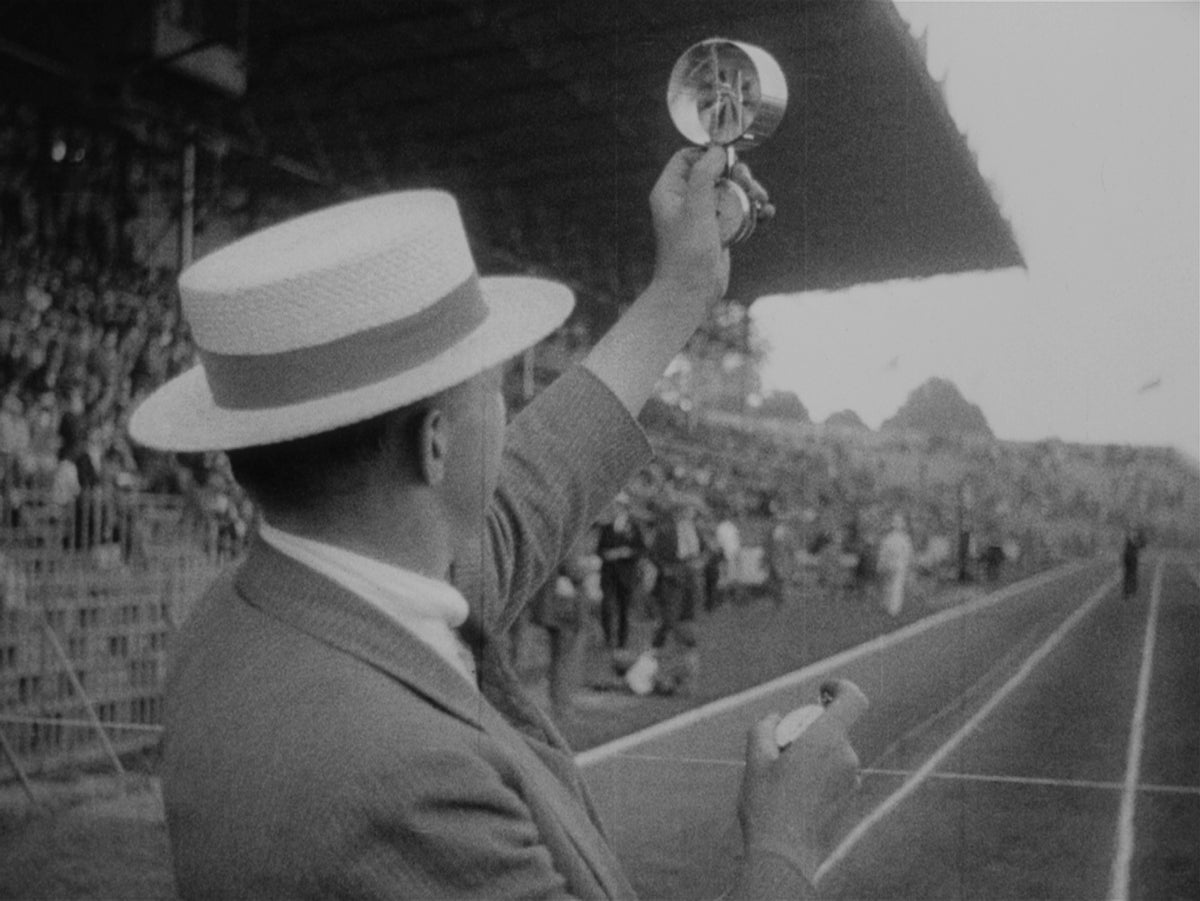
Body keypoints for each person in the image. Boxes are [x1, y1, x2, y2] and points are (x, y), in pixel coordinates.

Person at [129, 146, 861, 899]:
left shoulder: (249, 610)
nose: (508, 410)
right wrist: (785, 841)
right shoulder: (408, 779)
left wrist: (680, 293)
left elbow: (524, 496)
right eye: (495, 383)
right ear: (437, 441)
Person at [596, 493, 644, 651]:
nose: (615, 509)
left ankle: (622, 641)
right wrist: (607, 555)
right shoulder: (608, 527)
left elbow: (640, 549)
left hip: (626, 574)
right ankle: (608, 637)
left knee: (624, 608)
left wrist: (627, 552)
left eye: (618, 506)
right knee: (607, 606)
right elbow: (600, 549)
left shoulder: (634, 527)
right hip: (609, 573)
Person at [877, 513, 914, 617]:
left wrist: (881, 564)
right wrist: (909, 564)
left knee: (888, 586)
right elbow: (908, 553)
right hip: (899, 565)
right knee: (896, 586)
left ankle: (888, 606)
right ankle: (893, 609)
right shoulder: (904, 538)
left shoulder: (888, 538)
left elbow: (883, 553)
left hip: (890, 564)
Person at [1122, 526, 1146, 598]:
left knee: (1128, 574)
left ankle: (1128, 591)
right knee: (1132, 574)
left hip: (1128, 557)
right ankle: (1131, 590)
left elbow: (1140, 545)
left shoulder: (1130, 535)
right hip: (1131, 557)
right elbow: (1140, 545)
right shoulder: (1134, 537)